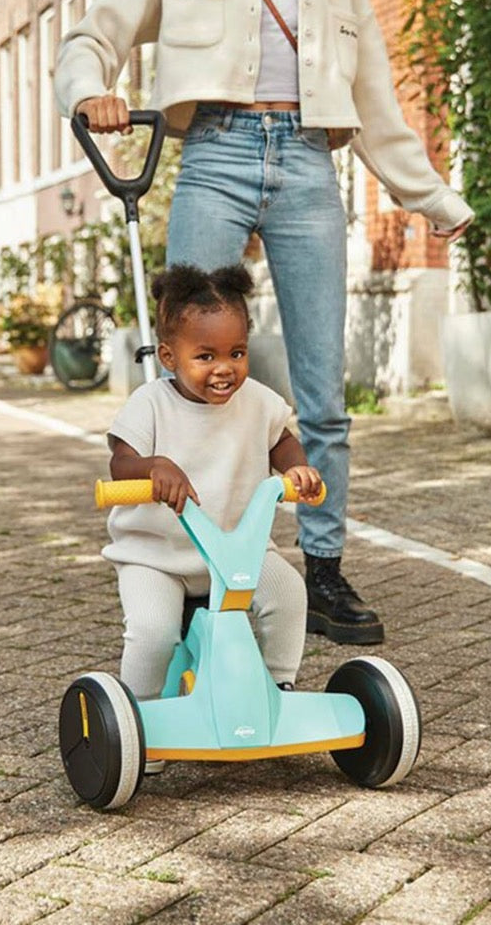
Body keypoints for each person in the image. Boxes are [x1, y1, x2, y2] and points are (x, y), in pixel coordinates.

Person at [56, 0, 473, 646]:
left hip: (307, 167)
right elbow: (92, 34)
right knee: (188, 372)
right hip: (215, 154)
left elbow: (375, 106)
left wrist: (431, 199)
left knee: (321, 393)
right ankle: (182, 563)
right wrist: (94, 90)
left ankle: (320, 572)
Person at [105, 263, 321, 703]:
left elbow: (281, 440)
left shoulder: (257, 400)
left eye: (236, 353)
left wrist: (296, 468)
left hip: (238, 548)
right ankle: (138, 717)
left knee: (289, 594)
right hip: (156, 556)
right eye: (206, 357)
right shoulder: (150, 404)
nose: (224, 369)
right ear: (169, 358)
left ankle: (280, 686)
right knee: (152, 632)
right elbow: (120, 463)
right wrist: (154, 466)